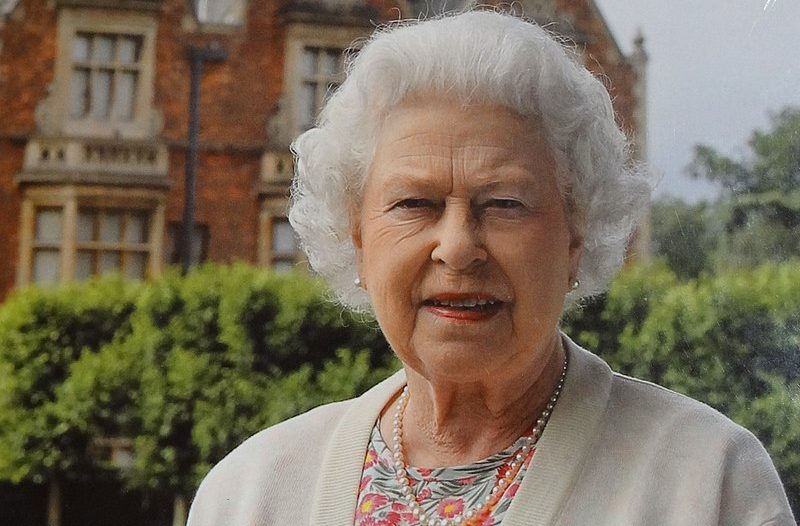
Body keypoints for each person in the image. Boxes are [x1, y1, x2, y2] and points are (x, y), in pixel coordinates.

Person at [187, 9, 795, 526]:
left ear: (576, 232)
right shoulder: (251, 494)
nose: (457, 247)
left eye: (504, 204)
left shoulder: (710, 483)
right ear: (358, 239)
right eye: (414, 204)